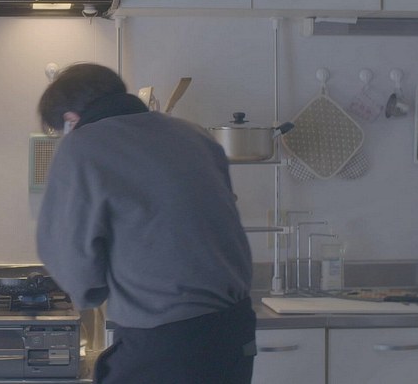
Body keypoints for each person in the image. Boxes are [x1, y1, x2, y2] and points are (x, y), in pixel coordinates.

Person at [36, 63, 256, 384]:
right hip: (234, 330)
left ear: (72, 118)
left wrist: (91, 291)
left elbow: (71, 258)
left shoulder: (82, 146)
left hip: (167, 340)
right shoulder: (194, 134)